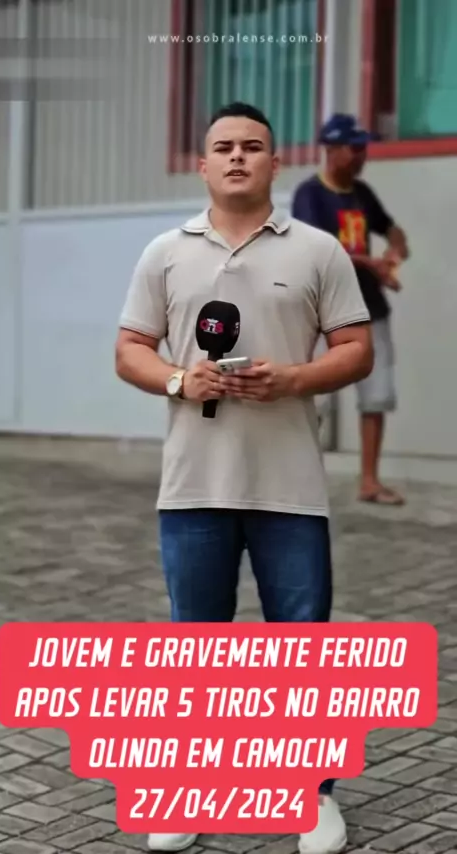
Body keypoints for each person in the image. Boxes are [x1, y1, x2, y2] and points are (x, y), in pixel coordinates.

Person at [116, 102, 373, 854]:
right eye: (223, 147)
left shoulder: (318, 250)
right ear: (202, 165)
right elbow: (130, 349)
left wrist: (294, 378)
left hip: (290, 486)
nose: (237, 157)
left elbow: (356, 349)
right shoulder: (166, 252)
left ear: (274, 163)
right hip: (193, 485)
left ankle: (311, 796)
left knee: (301, 646)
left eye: (252, 146)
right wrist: (178, 380)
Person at [291, 113, 410, 506]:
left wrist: (394, 251)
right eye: (355, 148)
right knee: (313, 399)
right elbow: (319, 250)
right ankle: (299, 482)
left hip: (370, 308)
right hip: (323, 313)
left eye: (364, 148)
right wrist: (371, 264)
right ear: (332, 150)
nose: (362, 156)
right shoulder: (310, 195)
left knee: (376, 396)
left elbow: (392, 228)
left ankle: (369, 482)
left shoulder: (363, 193)